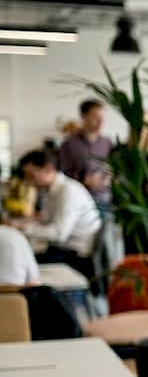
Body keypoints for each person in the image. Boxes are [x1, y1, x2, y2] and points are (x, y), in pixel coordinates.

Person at [11, 149, 102, 281]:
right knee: (20, 260)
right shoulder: (49, 191)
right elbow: (45, 220)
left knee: (19, 266)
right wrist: (19, 225)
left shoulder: (69, 191)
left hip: (76, 257)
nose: (28, 181)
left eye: (31, 175)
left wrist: (21, 228)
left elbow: (59, 233)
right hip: (62, 250)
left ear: (48, 169)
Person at [58, 100, 115, 213]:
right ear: (83, 116)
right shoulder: (69, 144)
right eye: (95, 117)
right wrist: (83, 181)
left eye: (103, 117)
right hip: (78, 202)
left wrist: (107, 179)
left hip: (104, 201)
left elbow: (114, 169)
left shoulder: (107, 143)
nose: (100, 121)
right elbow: (62, 174)